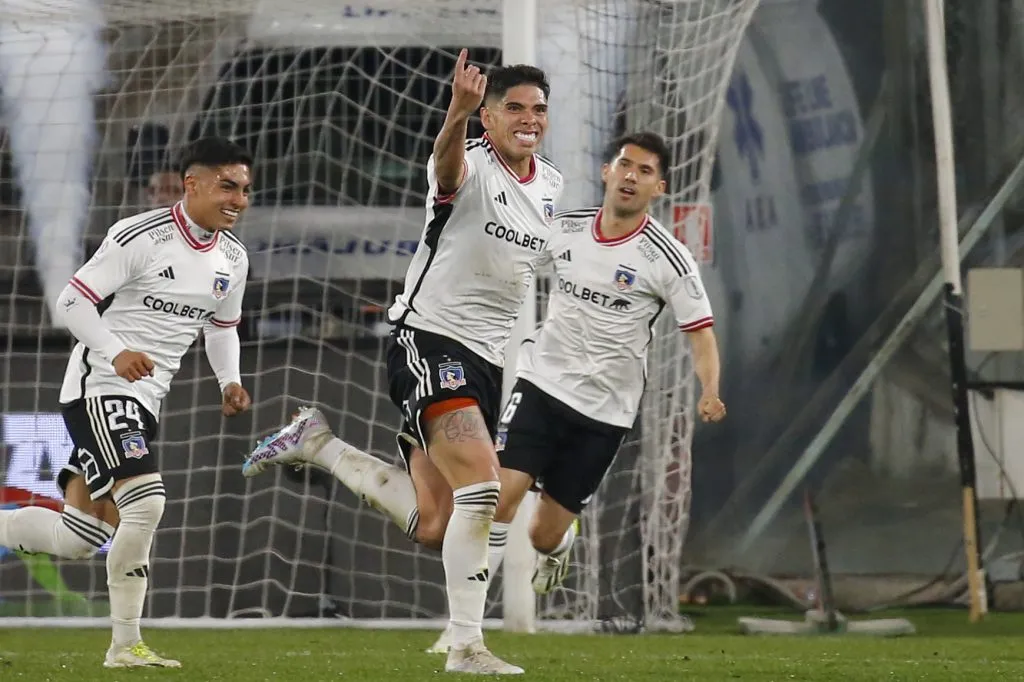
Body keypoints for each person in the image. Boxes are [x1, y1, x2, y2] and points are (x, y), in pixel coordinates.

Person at [243, 49, 562, 675]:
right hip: (431, 341)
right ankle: (467, 645)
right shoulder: (467, 161)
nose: (529, 119)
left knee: (437, 523)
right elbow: (444, 169)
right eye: (514, 108)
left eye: (539, 109)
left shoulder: (550, 184)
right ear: (491, 118)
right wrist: (456, 114)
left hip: (490, 362)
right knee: (483, 484)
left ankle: (319, 444)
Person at [0, 136, 254, 668]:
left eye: (246, 189)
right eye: (227, 186)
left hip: (147, 400)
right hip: (101, 385)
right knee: (148, 502)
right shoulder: (141, 235)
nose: (238, 199)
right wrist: (115, 353)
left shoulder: (234, 257)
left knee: (81, 534)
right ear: (193, 185)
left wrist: (228, 379)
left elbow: (222, 329)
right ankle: (125, 645)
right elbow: (71, 301)